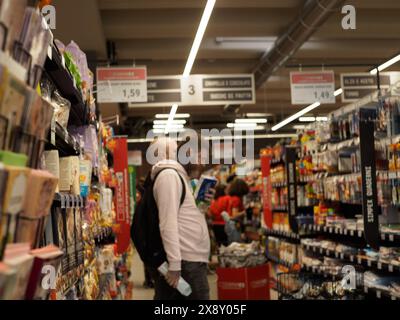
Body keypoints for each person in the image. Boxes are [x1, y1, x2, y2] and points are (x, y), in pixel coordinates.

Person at [148, 137, 211, 300]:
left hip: (191, 260)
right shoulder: (169, 176)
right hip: (186, 262)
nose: (202, 162)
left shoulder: (179, 176)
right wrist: (175, 264)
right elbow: (168, 223)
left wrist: (202, 205)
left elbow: (185, 216)